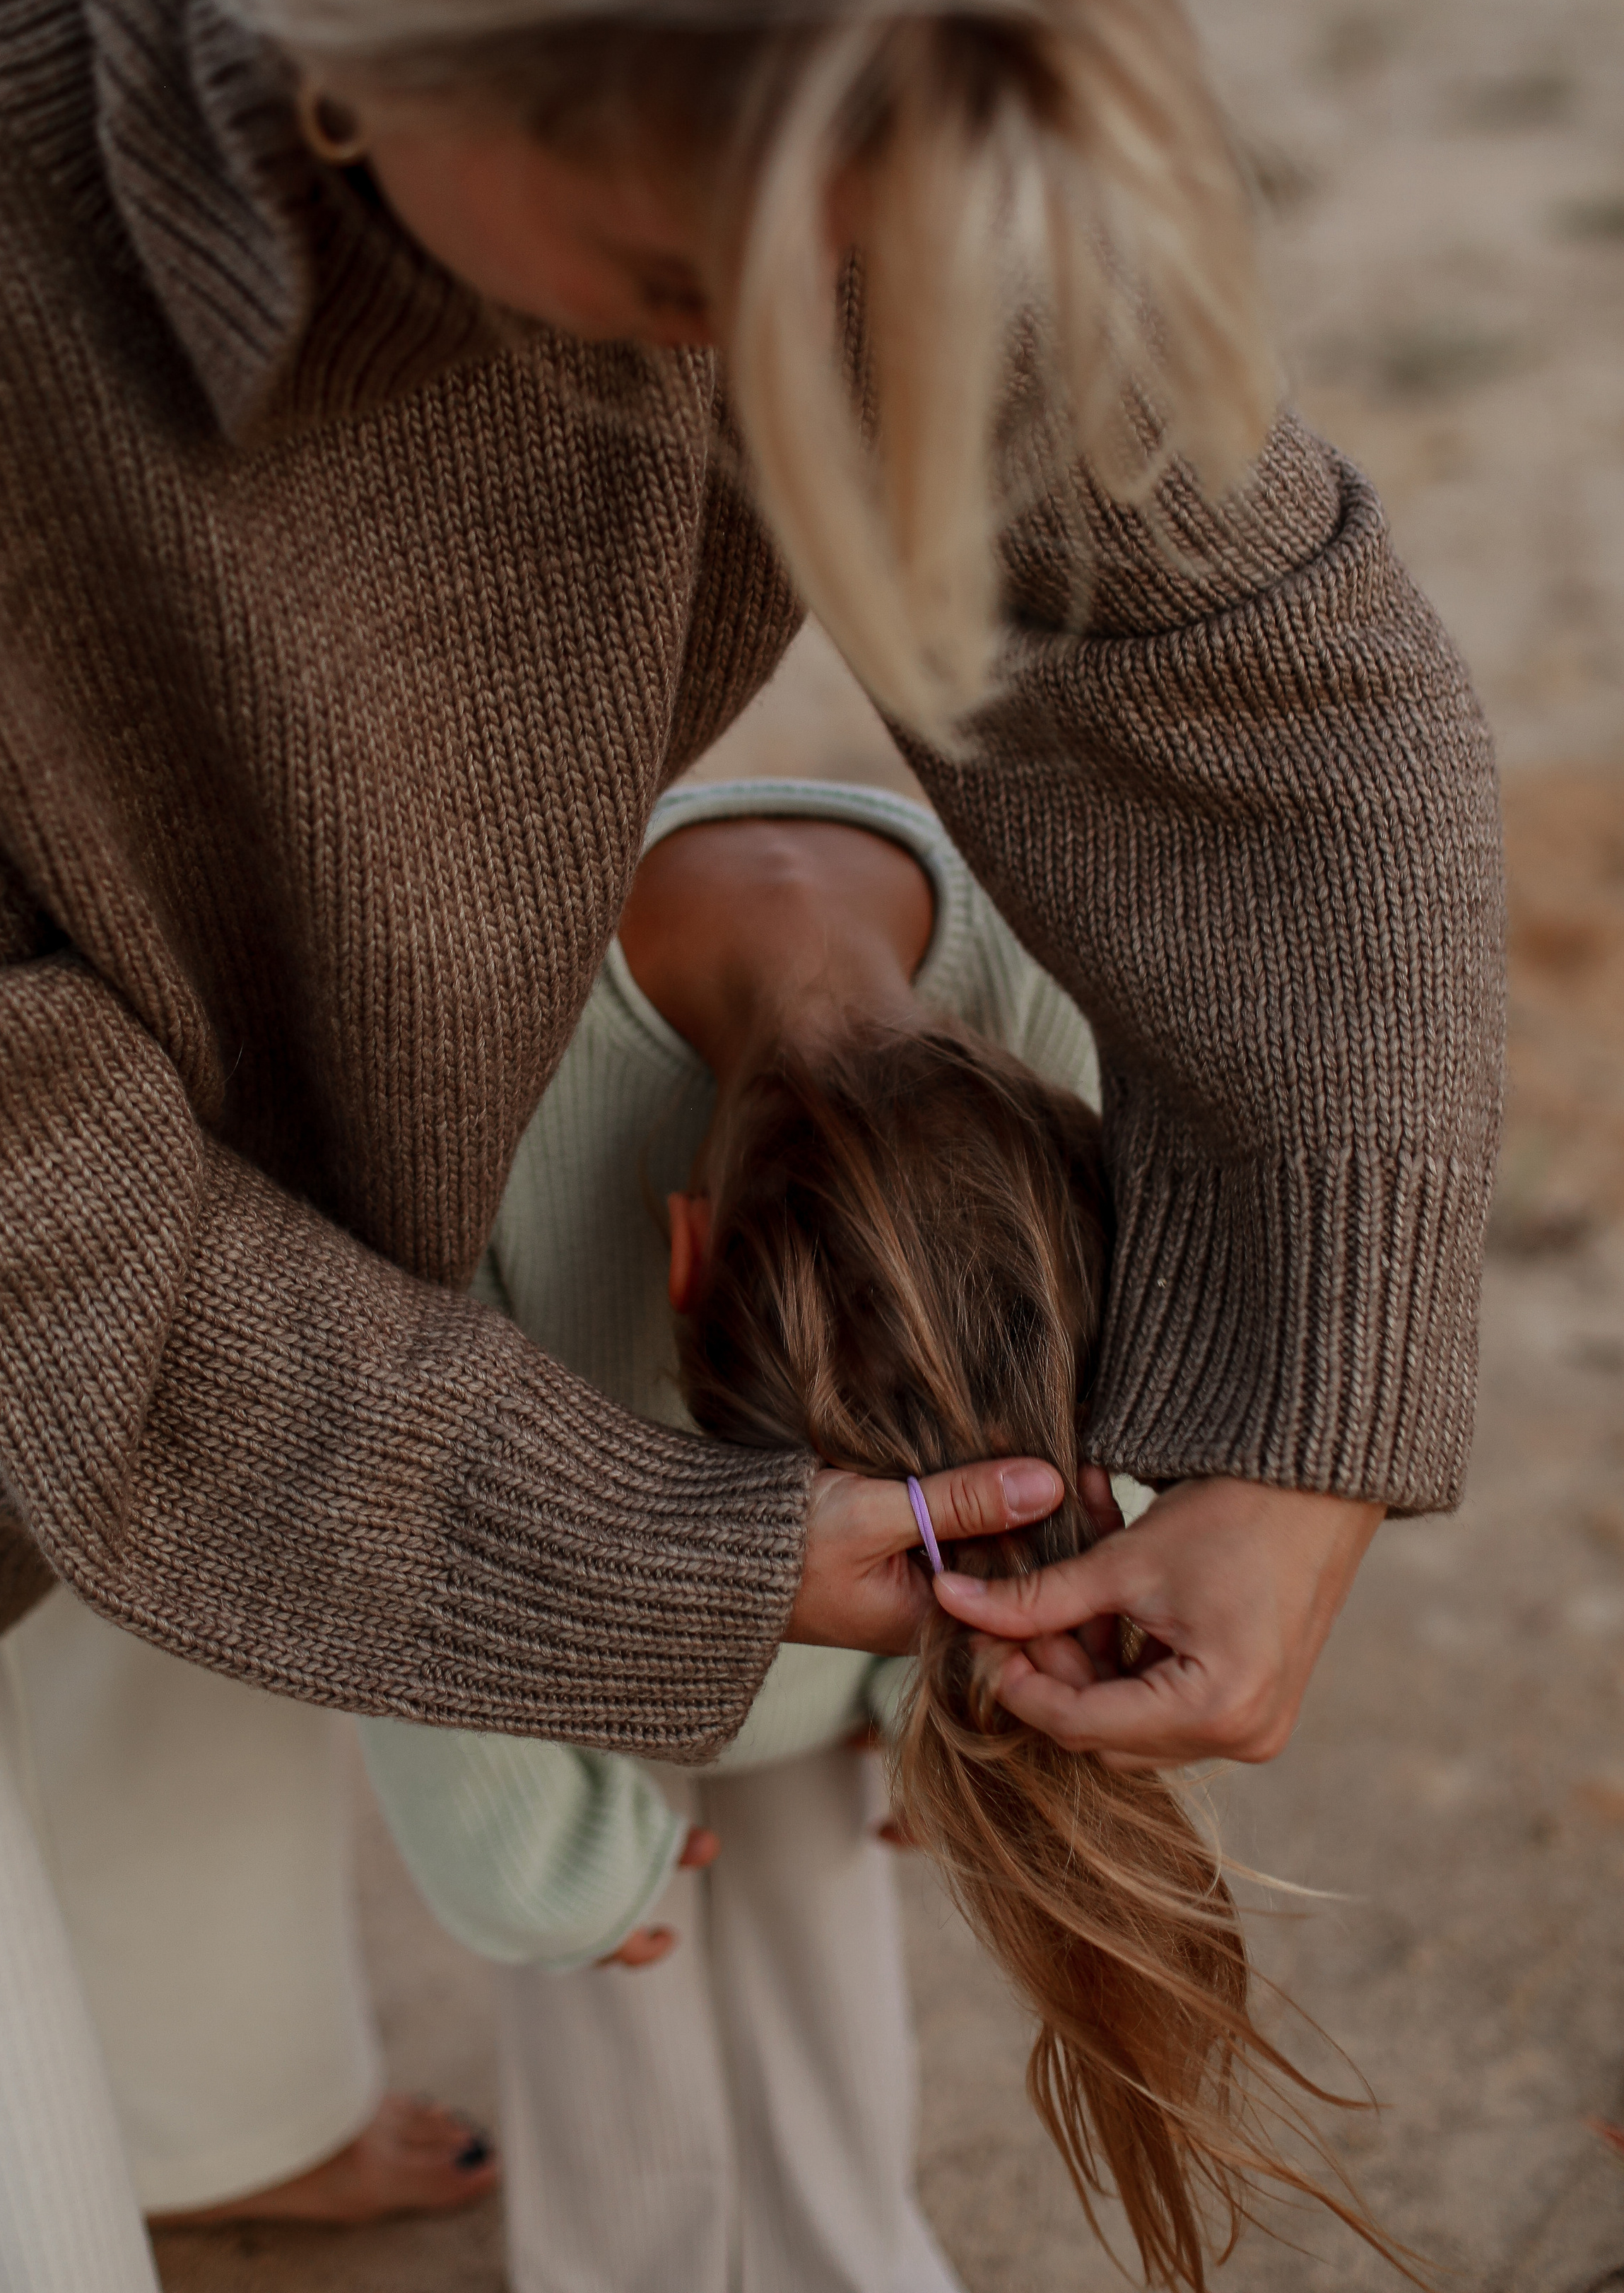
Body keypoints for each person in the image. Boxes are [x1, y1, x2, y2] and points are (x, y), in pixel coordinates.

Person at [0, 0, 1502, 2283]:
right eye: (712, 287)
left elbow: (1248, 690)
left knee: (248, 1399)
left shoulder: (849, 53)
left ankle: (214, 2107)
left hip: (137, 1013)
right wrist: (639, 1574)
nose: (843, 345)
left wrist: (1308, 1419)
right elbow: (8, 1197)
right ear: (377, 45)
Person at [358, 778, 1404, 2293]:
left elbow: (1025, 1406)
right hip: (540, 1632)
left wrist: (944, 1690)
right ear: (684, 1251)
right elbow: (403, 1497)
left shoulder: (1044, 966)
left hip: (813, 1727)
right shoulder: (457, 1036)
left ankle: (842, 2254)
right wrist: (536, 1866)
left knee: (815, 1910)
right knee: (606, 1973)